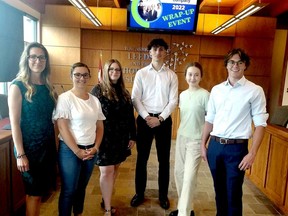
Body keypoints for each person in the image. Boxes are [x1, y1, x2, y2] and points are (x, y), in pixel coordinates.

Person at [201, 48, 269, 216]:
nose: (235, 65)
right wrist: (203, 144)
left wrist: (252, 153)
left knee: (233, 195)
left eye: (239, 62)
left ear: (245, 65)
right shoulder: (216, 90)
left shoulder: (255, 90)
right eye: (231, 62)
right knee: (219, 192)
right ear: (227, 65)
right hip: (215, 147)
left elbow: (260, 124)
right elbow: (210, 119)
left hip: (236, 150)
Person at [8, 42, 57, 216]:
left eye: (42, 57)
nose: (38, 60)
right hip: (28, 149)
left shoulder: (48, 86)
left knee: (40, 194)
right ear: (27, 60)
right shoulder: (17, 86)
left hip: (47, 147)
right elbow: (14, 123)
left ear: (46, 61)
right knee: (33, 194)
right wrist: (20, 154)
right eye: (33, 56)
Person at [131, 38, 178, 209]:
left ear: (165, 53)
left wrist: (160, 119)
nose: (158, 52)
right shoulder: (141, 73)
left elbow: (173, 101)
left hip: (164, 121)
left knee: (164, 160)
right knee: (141, 160)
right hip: (144, 121)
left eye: (162, 49)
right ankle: (139, 193)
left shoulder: (172, 75)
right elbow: (135, 98)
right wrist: (146, 117)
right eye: (155, 49)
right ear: (149, 52)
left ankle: (163, 196)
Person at [53, 62, 105, 216]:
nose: (81, 78)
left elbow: (100, 127)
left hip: (90, 150)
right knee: (69, 189)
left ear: (89, 77)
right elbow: (62, 127)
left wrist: (95, 148)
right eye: (77, 74)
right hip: (70, 150)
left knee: (81, 188)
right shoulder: (65, 98)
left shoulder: (95, 100)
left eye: (85, 75)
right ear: (71, 76)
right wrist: (77, 151)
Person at [90, 59, 136, 215]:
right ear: (106, 71)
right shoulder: (98, 90)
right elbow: (90, 115)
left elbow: (130, 116)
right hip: (104, 137)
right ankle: (108, 210)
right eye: (111, 70)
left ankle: (105, 199)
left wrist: (132, 136)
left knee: (115, 169)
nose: (114, 72)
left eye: (117, 70)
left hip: (120, 138)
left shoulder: (124, 92)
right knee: (107, 171)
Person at [169, 62, 209, 216]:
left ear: (201, 77)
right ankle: (186, 208)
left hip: (196, 141)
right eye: (190, 74)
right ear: (185, 76)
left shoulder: (206, 95)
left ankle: (183, 213)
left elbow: (210, 120)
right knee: (178, 174)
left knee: (189, 178)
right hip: (181, 138)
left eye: (196, 74)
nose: (193, 77)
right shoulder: (183, 95)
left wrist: (205, 142)